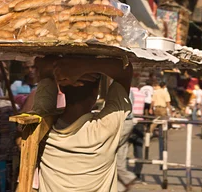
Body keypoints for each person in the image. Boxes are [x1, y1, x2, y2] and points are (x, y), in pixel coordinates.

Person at [33, 57, 132, 192]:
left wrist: (68, 68)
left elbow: (43, 66)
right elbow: (125, 69)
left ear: (61, 87)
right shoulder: (105, 128)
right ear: (95, 92)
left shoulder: (41, 128)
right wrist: (84, 65)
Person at [128, 85, 145, 180]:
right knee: (138, 148)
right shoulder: (142, 94)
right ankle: (138, 171)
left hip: (129, 122)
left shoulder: (128, 93)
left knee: (123, 147)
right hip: (140, 123)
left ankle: (120, 170)